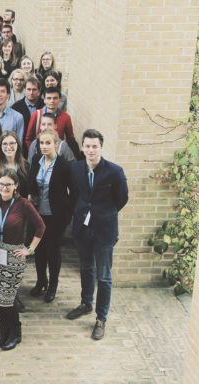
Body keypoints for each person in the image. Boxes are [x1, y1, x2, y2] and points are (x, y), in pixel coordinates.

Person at [66, 129, 129, 341]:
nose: (91, 150)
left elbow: (121, 199)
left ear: (101, 148)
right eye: (87, 146)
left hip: (104, 230)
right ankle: (86, 303)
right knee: (86, 268)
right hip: (83, 228)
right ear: (82, 147)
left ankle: (101, 318)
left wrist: (103, 213)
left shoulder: (114, 172)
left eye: (95, 146)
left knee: (103, 276)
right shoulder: (75, 169)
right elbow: (76, 195)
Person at [0, 169, 44, 350]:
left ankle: (15, 333)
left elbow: (41, 227)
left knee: (8, 299)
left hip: (14, 256)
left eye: (8, 184)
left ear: (16, 186)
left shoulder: (24, 204)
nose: (4, 187)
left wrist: (30, 249)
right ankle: (3, 332)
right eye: (1, 184)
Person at [28, 129, 73, 305]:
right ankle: (41, 281)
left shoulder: (64, 166)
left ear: (56, 144)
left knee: (52, 251)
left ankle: (53, 285)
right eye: (41, 143)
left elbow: (73, 192)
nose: (44, 146)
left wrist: (68, 212)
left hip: (56, 216)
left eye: (48, 143)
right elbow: (32, 182)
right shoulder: (36, 160)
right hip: (38, 215)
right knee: (39, 250)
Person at [24, 87, 75, 151]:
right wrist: (33, 151)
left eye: (55, 98)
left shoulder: (66, 117)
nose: (52, 101)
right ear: (44, 100)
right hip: (40, 152)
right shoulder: (36, 115)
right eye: (49, 98)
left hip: (57, 153)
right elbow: (28, 138)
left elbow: (70, 139)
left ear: (59, 99)